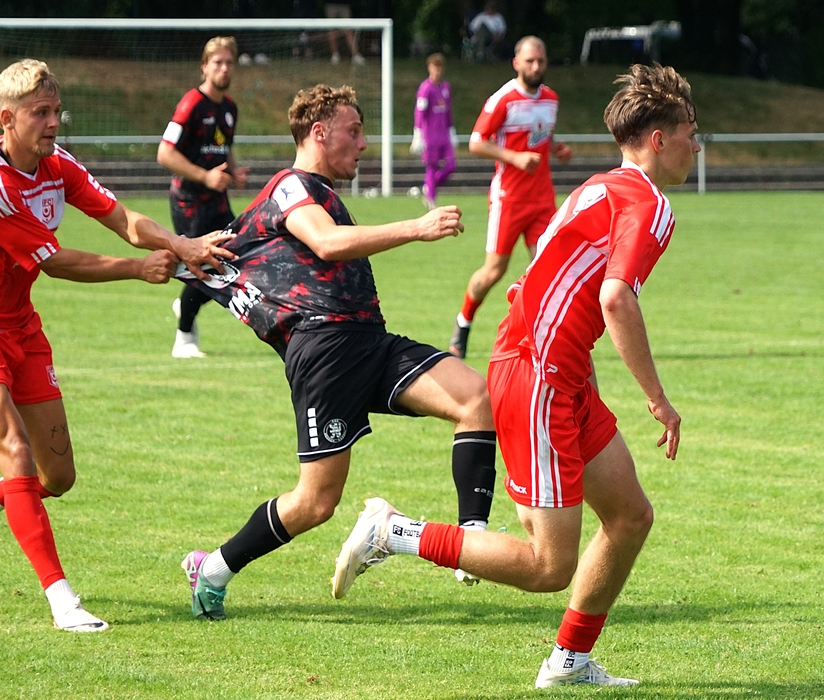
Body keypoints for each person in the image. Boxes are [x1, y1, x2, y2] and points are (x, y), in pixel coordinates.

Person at [332, 63, 699, 687]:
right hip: (540, 378)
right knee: (548, 566)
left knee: (630, 516)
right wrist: (657, 399)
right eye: (692, 131)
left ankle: (569, 662)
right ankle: (394, 532)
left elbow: (550, 282)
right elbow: (615, 298)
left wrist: (570, 369)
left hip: (555, 373)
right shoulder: (649, 203)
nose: (698, 144)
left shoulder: (598, 187)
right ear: (659, 140)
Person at [0, 59, 233, 633]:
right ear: (7, 118)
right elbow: (55, 261)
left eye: (57, 110)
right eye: (41, 112)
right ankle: (63, 601)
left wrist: (181, 245)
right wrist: (137, 268)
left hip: (18, 321)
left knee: (57, 476)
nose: (54, 122)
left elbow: (122, 217)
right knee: (16, 451)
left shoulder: (56, 164)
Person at [178, 84, 499, 621]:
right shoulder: (291, 187)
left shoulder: (319, 190)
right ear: (319, 132)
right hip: (324, 351)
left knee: (476, 396)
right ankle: (211, 569)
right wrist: (416, 227)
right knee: (316, 503)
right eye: (354, 131)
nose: (364, 144)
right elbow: (326, 242)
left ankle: (474, 541)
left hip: (368, 340)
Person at [448, 36, 572, 359]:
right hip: (509, 199)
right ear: (516, 63)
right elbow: (476, 142)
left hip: (542, 200)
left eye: (541, 61)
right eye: (530, 61)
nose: (536, 66)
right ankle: (463, 324)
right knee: (494, 271)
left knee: (548, 268)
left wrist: (556, 148)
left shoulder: (551, 99)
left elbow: (542, 134)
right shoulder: (503, 99)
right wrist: (514, 158)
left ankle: (539, 337)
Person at [158, 36, 251, 359]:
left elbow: (224, 146)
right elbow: (165, 153)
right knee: (206, 266)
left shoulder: (229, 108)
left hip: (217, 200)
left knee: (239, 256)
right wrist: (205, 176)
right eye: (218, 63)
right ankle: (184, 339)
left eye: (229, 63)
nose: (224, 69)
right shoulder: (191, 105)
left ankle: (185, 303)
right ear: (204, 67)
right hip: (190, 201)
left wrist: (234, 171)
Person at [411, 53, 458, 210]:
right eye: (434, 67)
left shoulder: (445, 87)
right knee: (431, 167)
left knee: (451, 165)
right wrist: (418, 133)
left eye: (439, 68)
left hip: (444, 135)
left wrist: (451, 129)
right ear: (429, 68)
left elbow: (448, 110)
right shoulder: (425, 89)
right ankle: (431, 199)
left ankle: (429, 186)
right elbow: (420, 112)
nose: (437, 71)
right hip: (429, 136)